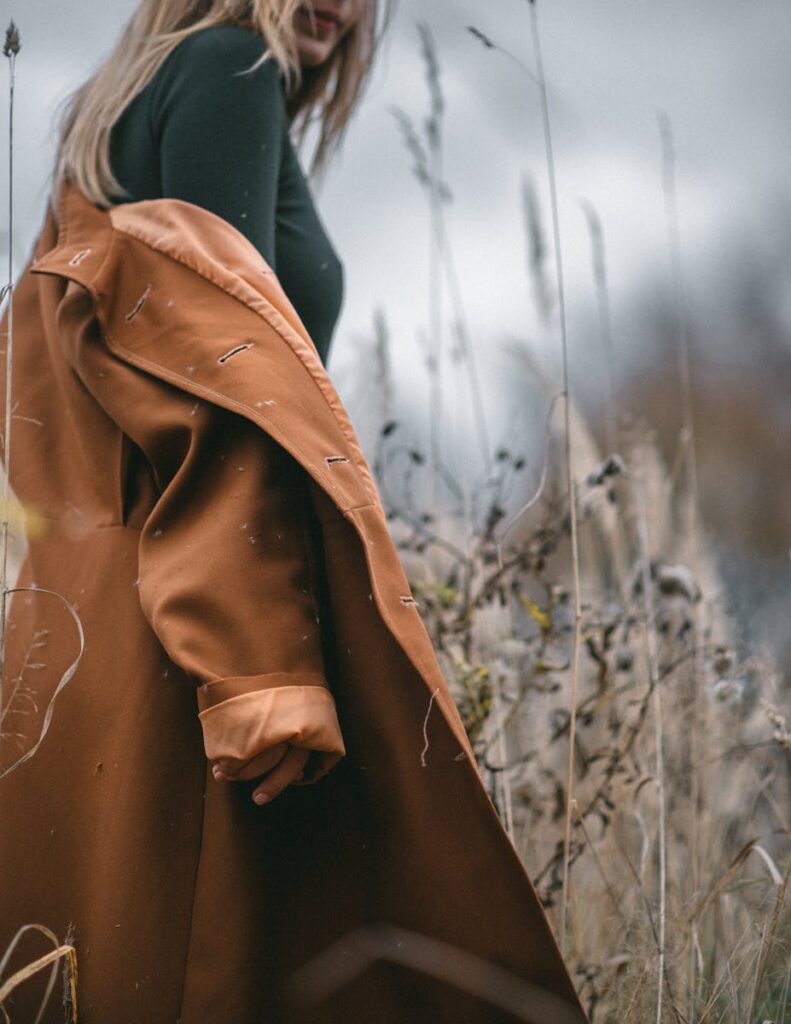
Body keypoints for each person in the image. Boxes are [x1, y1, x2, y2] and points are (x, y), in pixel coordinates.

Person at [0, 3, 589, 1022]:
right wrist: (263, 667)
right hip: (198, 621)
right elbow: (217, 389)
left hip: (96, 611)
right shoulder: (229, 68)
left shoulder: (129, 103)